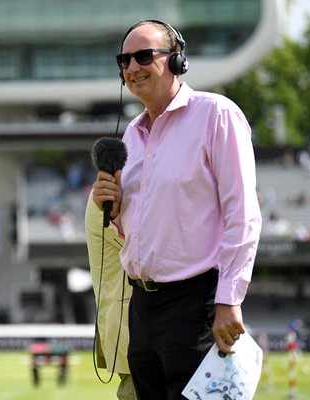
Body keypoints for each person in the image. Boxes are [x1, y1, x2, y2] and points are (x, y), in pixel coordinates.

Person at [91, 20, 262, 399]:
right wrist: (116, 210)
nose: (132, 67)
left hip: (195, 304)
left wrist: (229, 300)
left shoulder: (216, 114)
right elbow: (137, 231)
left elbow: (243, 213)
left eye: (143, 56)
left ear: (177, 60)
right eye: (124, 59)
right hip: (142, 305)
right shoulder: (131, 134)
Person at [84, 193, 135, 400]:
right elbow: (151, 251)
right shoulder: (107, 196)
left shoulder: (110, 192)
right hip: (133, 326)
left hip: (133, 324)